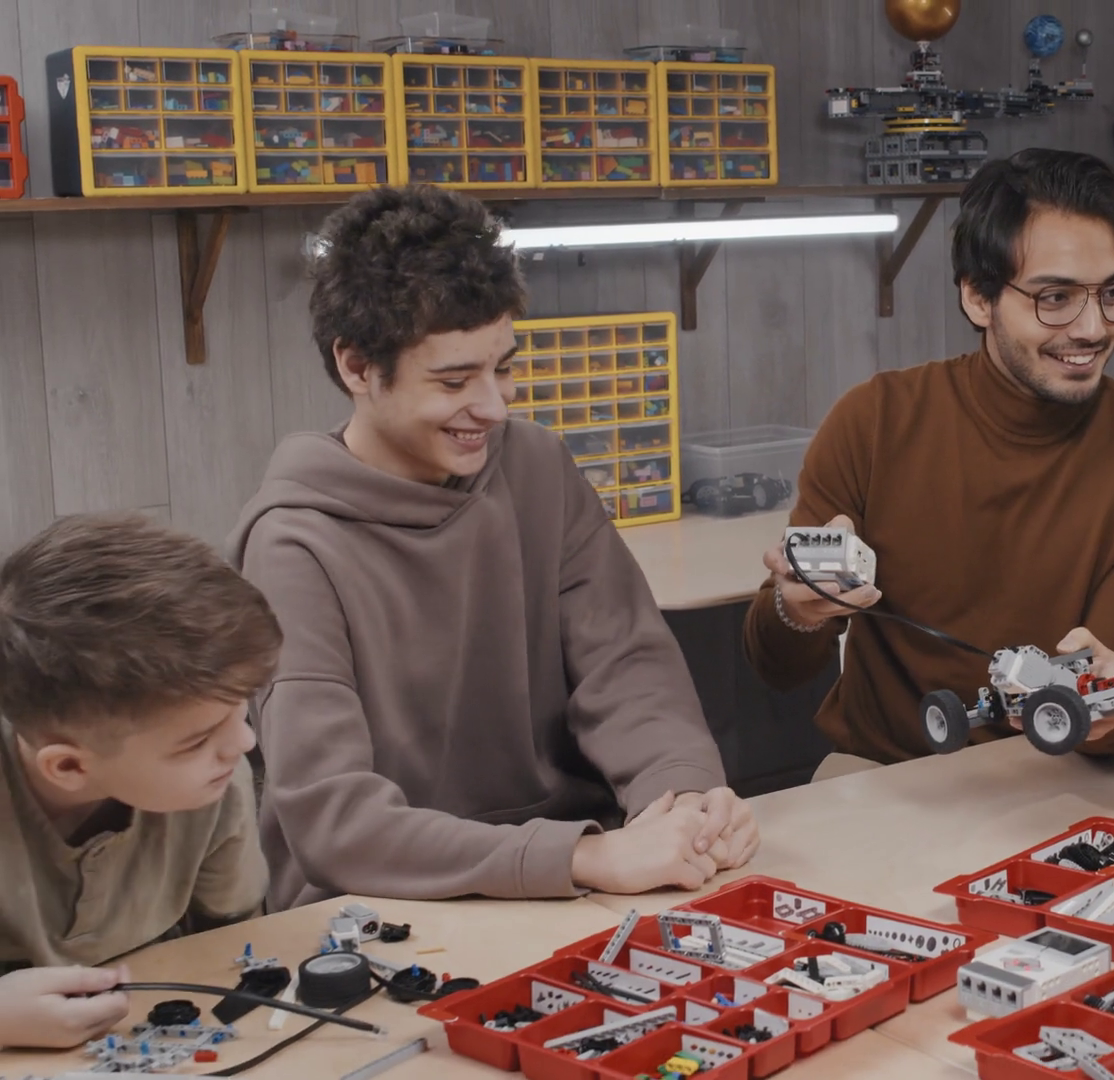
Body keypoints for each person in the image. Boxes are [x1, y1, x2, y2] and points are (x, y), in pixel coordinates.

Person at [229, 185, 756, 909]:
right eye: (453, 380)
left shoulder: (536, 465)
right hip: (378, 906)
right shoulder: (291, 545)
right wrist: (583, 856)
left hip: (570, 870)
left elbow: (627, 666)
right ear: (356, 368)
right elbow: (335, 823)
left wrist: (682, 796)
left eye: (502, 368)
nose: (493, 406)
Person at [742, 149, 1114, 767]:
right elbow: (776, 667)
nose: (1094, 328)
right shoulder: (874, 423)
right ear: (978, 298)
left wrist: (1111, 707)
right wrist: (796, 610)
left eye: (1112, 293)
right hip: (886, 773)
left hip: (1063, 775)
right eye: (1055, 297)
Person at [0, 514, 278, 1047]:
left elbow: (235, 946)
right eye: (197, 740)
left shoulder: (215, 780)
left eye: (240, 710)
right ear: (70, 766)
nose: (243, 743)